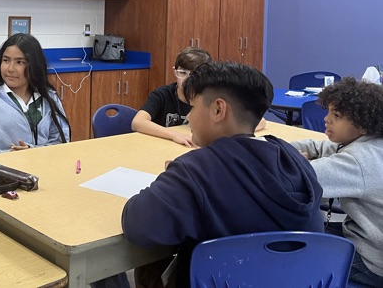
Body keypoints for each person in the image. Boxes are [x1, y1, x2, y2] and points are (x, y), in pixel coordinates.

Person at [122, 62, 323, 288]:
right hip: (293, 281)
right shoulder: (295, 159)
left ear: (218, 109)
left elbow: (138, 225)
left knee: (150, 267)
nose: (188, 117)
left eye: (193, 107)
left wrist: (171, 179)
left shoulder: (194, 170)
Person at [291, 77, 383, 287]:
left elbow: (296, 179)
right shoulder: (371, 143)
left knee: (295, 250)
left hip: (373, 262)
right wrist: (285, 150)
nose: (326, 119)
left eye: (337, 115)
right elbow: (318, 146)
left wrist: (285, 159)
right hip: (370, 239)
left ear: (363, 125)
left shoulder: (357, 161)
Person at [131, 47, 212, 146]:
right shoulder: (162, 94)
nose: (187, 80)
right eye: (182, 73)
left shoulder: (208, 98)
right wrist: (174, 135)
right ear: (175, 72)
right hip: (160, 146)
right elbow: (137, 122)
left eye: (194, 75)